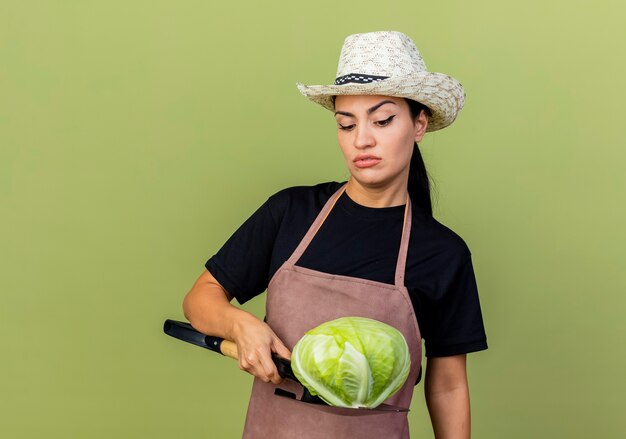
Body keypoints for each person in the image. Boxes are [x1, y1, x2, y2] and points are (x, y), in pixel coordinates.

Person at [183, 30, 488, 439]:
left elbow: (448, 385)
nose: (362, 139)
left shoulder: (442, 253)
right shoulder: (291, 213)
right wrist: (240, 325)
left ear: (419, 124)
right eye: (347, 124)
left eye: (382, 120)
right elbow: (199, 299)